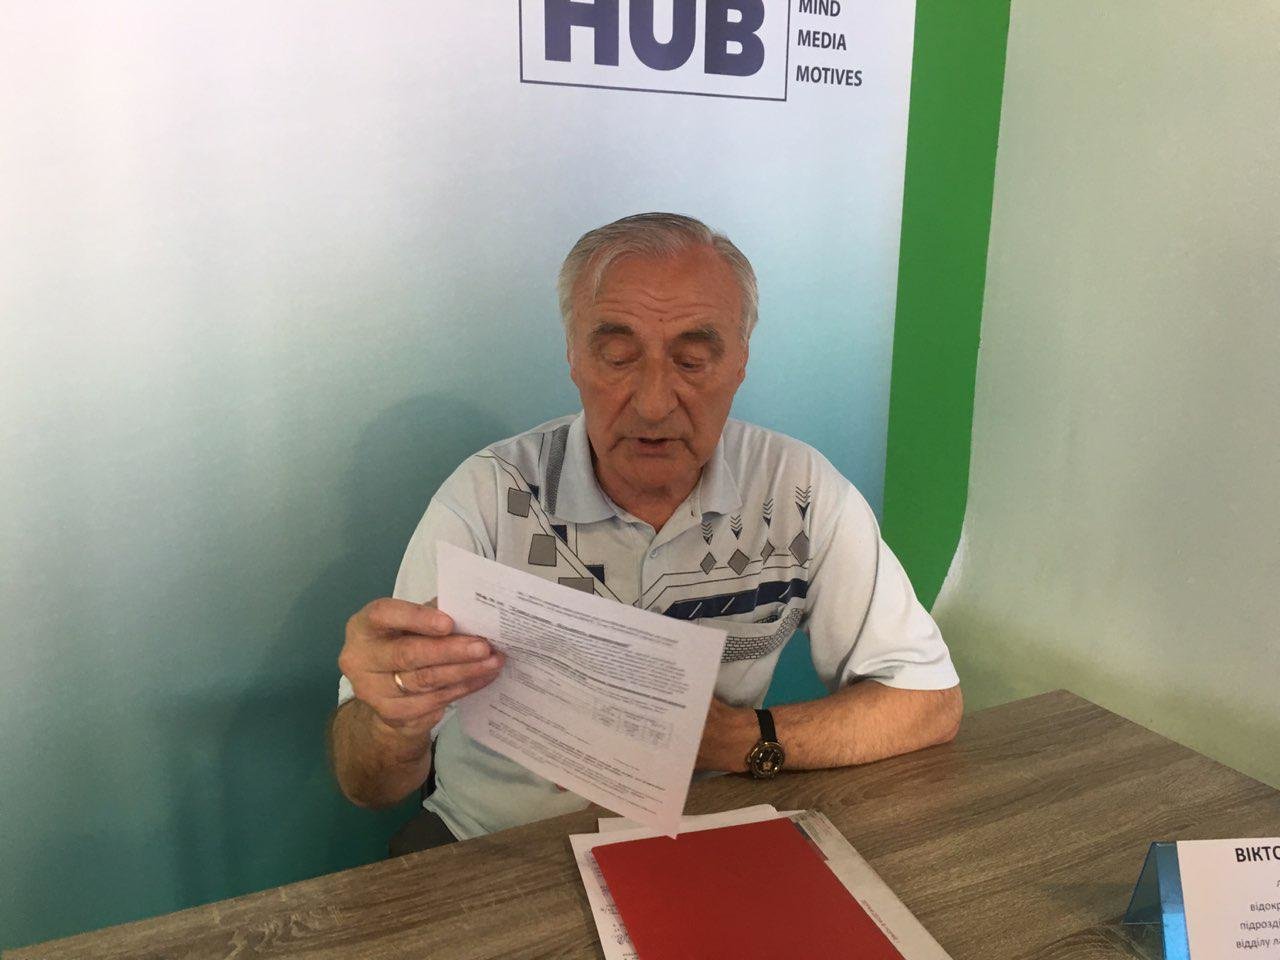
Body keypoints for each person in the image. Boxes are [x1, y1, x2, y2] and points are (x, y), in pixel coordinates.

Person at [329, 213, 962, 850]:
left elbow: (928, 700)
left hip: (697, 844)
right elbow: (367, 785)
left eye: (693, 360)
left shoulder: (797, 491)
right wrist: (388, 723)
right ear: (574, 358)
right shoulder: (490, 496)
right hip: (494, 843)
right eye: (618, 357)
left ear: (740, 363)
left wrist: (729, 740)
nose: (654, 403)